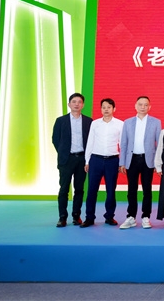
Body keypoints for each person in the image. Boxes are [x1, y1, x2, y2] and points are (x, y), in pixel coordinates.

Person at [118, 96, 162, 230]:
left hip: (148, 160)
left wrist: (157, 163)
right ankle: (131, 216)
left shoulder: (156, 122)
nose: (143, 107)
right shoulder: (128, 122)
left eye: (146, 105)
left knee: (147, 190)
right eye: (140, 104)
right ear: (135, 106)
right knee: (132, 189)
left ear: (150, 107)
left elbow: (159, 144)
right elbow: (123, 143)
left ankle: (145, 217)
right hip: (131, 160)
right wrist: (122, 162)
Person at [81, 98, 124, 228]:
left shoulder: (120, 124)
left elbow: (122, 144)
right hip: (96, 160)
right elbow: (90, 142)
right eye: (103, 107)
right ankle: (89, 218)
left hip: (112, 160)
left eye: (109, 107)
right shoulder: (95, 124)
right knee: (92, 190)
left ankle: (109, 216)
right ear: (100, 109)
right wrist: (87, 161)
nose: (106, 110)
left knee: (111, 190)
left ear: (114, 109)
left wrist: (121, 162)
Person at [52, 93, 93, 227]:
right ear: (69, 104)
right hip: (66, 160)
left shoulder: (89, 121)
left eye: (79, 102)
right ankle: (62, 217)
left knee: (79, 189)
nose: (76, 104)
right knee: (64, 189)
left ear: (83, 105)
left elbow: (91, 141)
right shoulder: (61, 120)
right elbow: (55, 139)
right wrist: (63, 153)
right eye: (74, 102)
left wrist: (87, 159)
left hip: (82, 159)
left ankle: (76, 215)